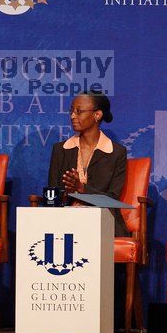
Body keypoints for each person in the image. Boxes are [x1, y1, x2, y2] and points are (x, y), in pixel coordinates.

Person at [47, 90, 129, 237]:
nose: (73, 116)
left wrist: (81, 188)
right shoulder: (60, 149)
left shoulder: (116, 153)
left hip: (102, 221)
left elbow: (112, 200)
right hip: (65, 222)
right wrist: (65, 194)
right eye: (71, 111)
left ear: (97, 115)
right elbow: (51, 195)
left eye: (79, 111)